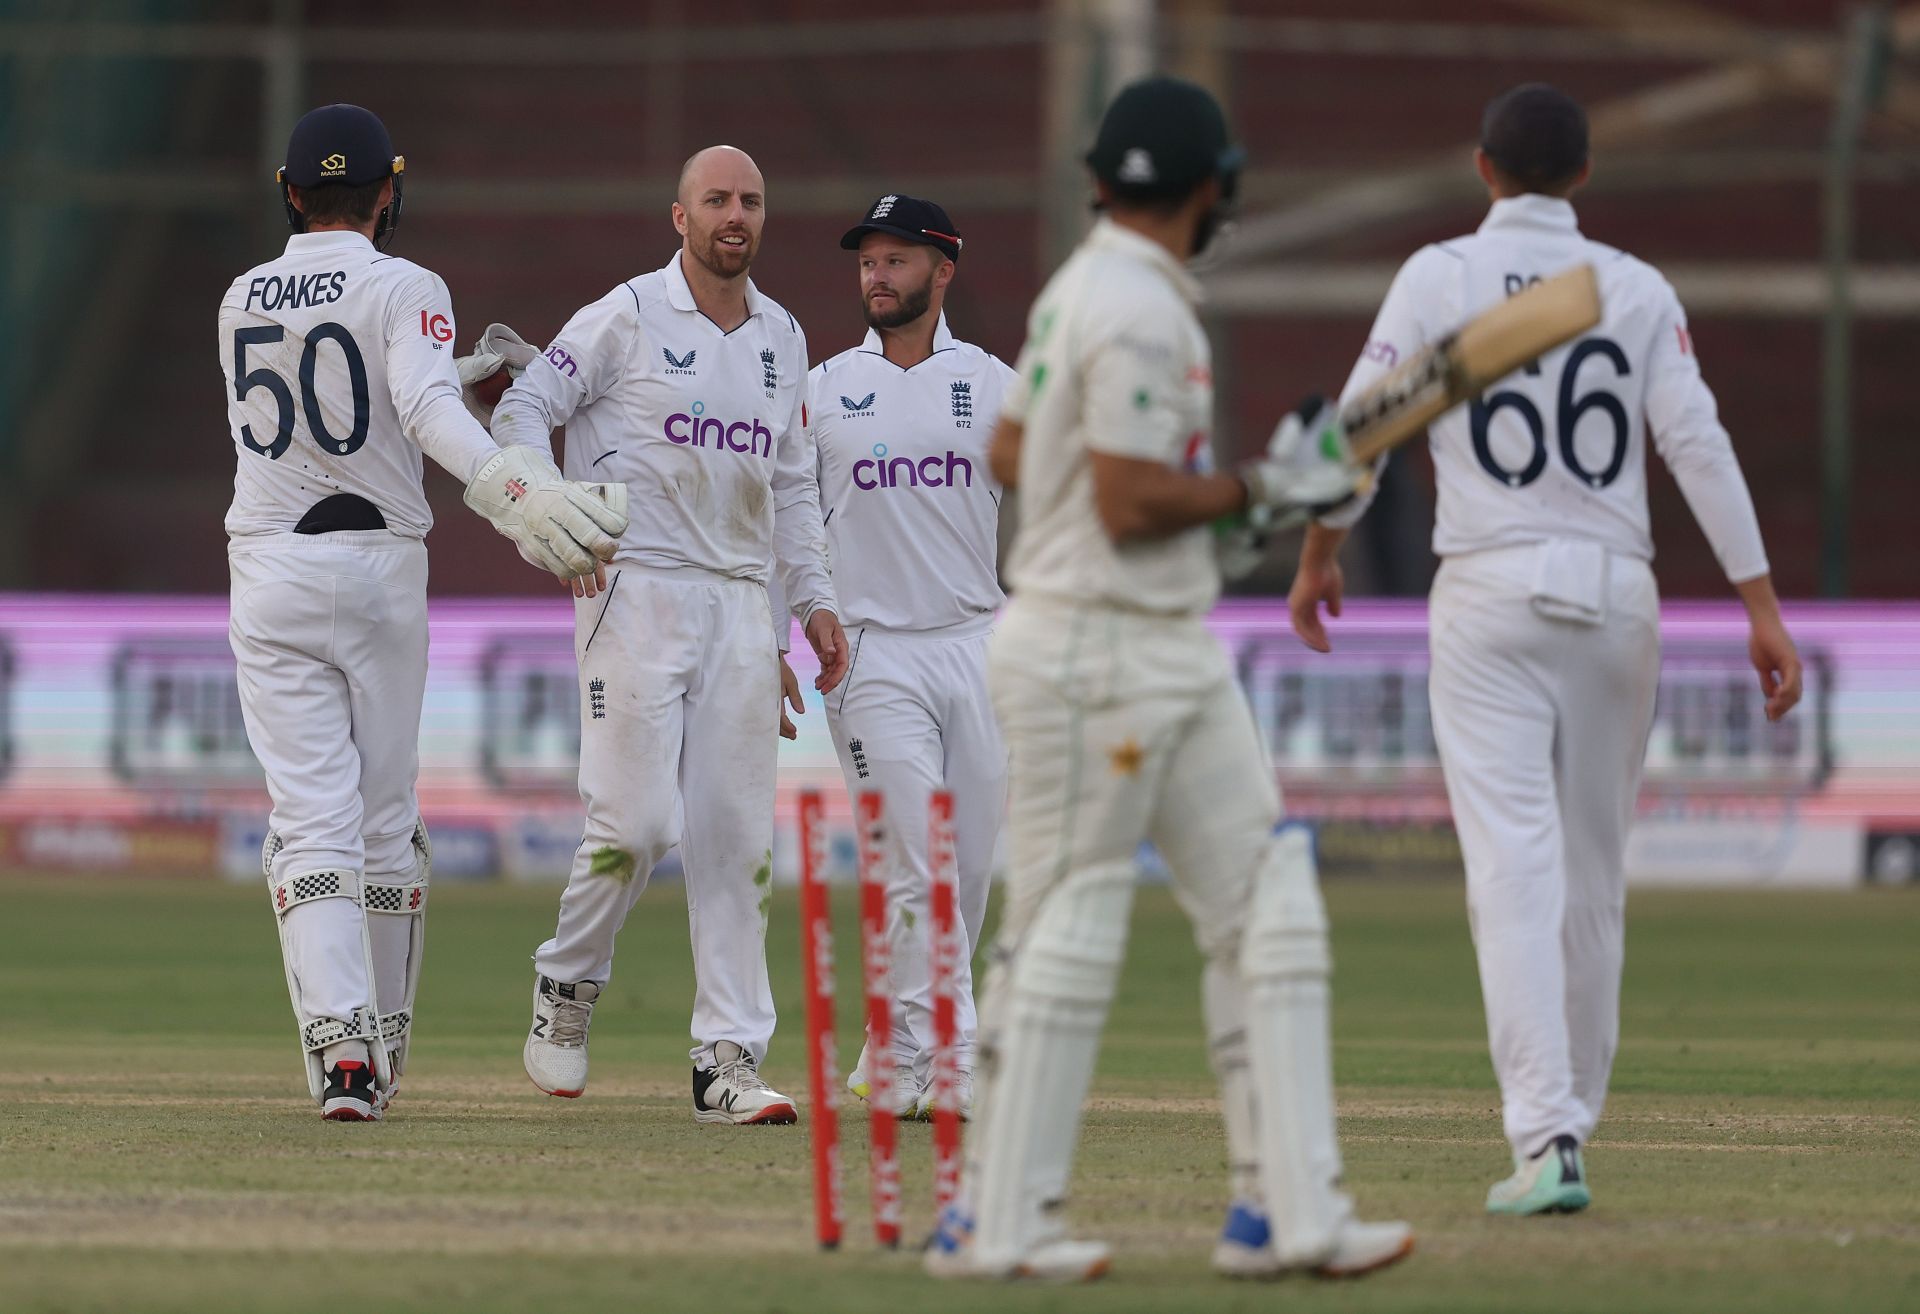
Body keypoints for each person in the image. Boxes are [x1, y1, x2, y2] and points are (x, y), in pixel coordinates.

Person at [927, 77, 1413, 1282]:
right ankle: (1000, 1224)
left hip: (1158, 639)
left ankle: (1287, 1213)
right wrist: (1264, 489)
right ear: (1209, 192)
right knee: (1069, 923)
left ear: (1100, 182)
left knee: (1270, 907)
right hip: (1098, 649)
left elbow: (1009, 447)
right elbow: (1131, 499)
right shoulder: (1141, 309)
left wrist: (1233, 513)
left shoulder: (1080, 288)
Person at [1289, 83, 1802, 1215]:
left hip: (1488, 584)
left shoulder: (1441, 276)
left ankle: (1546, 1136)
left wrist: (1320, 553)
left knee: (1511, 867)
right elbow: (1696, 442)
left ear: (1482, 170)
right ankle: (1571, 1127)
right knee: (1591, 878)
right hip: (1617, 590)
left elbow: (1365, 424)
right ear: (1582, 176)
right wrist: (1761, 605)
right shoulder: (1631, 287)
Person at [221, 104, 626, 1122]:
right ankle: (386, 1052)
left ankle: (342, 1055)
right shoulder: (408, 285)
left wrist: (453, 377)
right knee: (385, 821)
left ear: (290, 192)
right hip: (379, 572)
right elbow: (417, 409)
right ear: (389, 194)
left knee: (308, 818)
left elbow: (342, 392)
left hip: (270, 567)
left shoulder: (239, 295)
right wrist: (514, 487)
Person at [492, 145, 848, 1125]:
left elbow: (789, 483)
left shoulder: (782, 335)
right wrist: (546, 510)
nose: (737, 214)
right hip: (632, 588)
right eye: (717, 200)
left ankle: (726, 1059)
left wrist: (809, 602)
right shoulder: (628, 314)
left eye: (753, 200)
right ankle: (567, 985)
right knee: (639, 826)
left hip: (739, 604)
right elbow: (526, 404)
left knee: (736, 841)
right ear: (679, 218)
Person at [804, 195, 1014, 1120]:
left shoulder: (1000, 385)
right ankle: (958, 1067)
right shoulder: (819, 388)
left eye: (896, 260)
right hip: (873, 652)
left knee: (964, 871)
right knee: (918, 867)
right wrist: (797, 621)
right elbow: (784, 518)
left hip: (978, 643)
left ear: (944, 270)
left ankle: (892, 1054)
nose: (877, 277)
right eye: (867, 262)